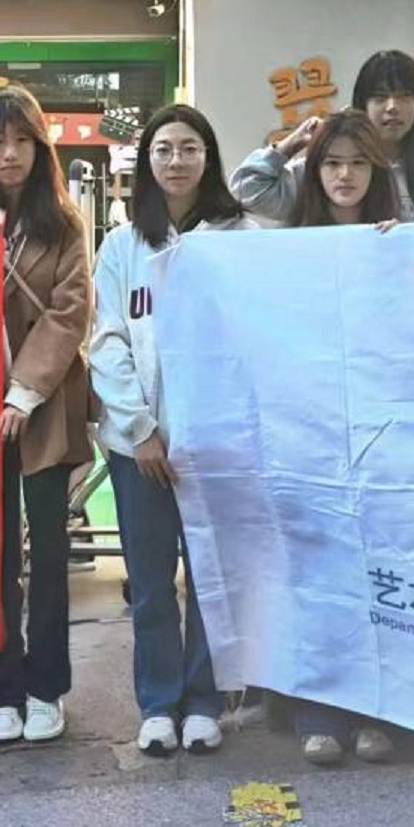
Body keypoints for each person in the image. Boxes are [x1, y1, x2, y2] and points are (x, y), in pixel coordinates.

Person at [91, 105, 258, 757]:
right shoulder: (121, 246)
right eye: (163, 149)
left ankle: (205, 701)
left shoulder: (240, 238)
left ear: (208, 158)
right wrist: (141, 430)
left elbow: (254, 337)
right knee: (152, 581)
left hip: (215, 445)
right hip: (141, 448)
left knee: (214, 576)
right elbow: (107, 342)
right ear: (147, 162)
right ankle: (159, 703)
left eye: (190, 148)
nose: (176, 160)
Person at [0, 86, 94, 745]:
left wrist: (24, 392)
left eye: (21, 141)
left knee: (48, 555)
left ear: (41, 148)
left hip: (44, 408)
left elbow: (70, 313)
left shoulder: (65, 223)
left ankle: (47, 688)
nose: (10, 154)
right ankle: (2, 691)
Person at [273, 109, 406, 764]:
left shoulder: (400, 241)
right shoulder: (288, 246)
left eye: (358, 163)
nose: (345, 175)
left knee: (381, 573)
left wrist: (412, 251)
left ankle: (379, 712)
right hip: (310, 431)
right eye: (331, 163)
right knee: (317, 572)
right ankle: (318, 712)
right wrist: (286, 146)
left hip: (383, 430)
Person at [233, 50, 414, 224]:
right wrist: (292, 143)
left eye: (404, 97)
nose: (392, 107)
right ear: (362, 104)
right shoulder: (325, 171)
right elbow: (246, 190)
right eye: (380, 97)